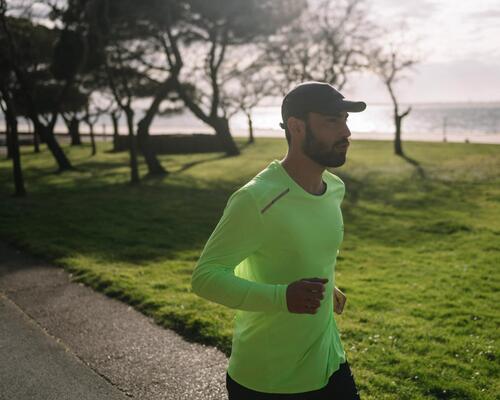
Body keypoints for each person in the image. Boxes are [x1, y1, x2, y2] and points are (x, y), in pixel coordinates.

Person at [191, 81, 366, 399]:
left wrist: (328, 286)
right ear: (297, 127)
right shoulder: (256, 198)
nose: (346, 133)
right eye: (332, 121)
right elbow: (205, 278)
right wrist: (283, 297)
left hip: (328, 361)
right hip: (268, 378)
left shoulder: (334, 188)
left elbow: (298, 250)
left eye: (345, 120)